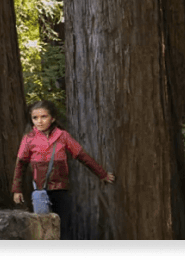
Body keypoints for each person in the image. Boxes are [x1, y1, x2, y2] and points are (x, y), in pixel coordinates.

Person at [11, 100, 115, 239]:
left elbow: (81, 156)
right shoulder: (29, 139)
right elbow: (20, 165)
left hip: (61, 189)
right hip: (40, 190)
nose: (39, 121)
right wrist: (17, 190)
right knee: (42, 227)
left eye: (44, 117)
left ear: (52, 118)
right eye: (35, 118)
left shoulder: (62, 136)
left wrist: (102, 174)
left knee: (64, 226)